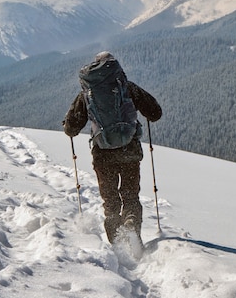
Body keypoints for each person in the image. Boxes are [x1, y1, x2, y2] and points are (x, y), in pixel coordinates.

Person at [63, 51, 162, 244]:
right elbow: (155, 113)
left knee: (110, 201)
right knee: (130, 196)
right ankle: (132, 227)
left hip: (102, 155)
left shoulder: (88, 93)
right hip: (129, 151)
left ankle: (117, 246)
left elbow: (71, 128)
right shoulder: (127, 88)